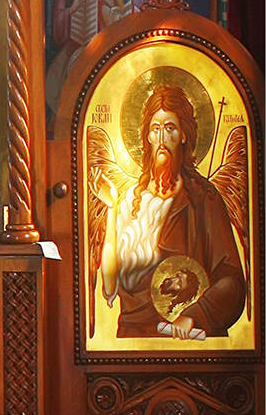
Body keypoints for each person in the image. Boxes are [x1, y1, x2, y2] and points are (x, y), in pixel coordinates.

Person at [92, 85, 246, 338]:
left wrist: (195, 315)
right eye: (156, 128)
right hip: (132, 336)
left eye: (170, 128)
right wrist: (111, 208)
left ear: (183, 135)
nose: (162, 137)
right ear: (147, 137)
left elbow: (232, 283)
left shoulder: (203, 199)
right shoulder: (130, 199)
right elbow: (110, 285)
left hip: (187, 338)